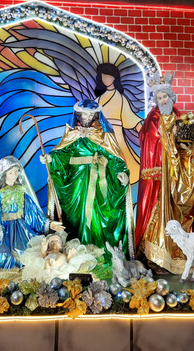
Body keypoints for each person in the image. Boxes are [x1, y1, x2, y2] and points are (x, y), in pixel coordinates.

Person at [135, 71, 194, 274]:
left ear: (171, 97)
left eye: (165, 96)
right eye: (159, 98)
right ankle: (156, 257)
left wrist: (186, 148)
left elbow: (191, 146)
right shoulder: (152, 121)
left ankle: (179, 254)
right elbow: (151, 144)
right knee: (158, 214)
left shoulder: (181, 119)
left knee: (182, 209)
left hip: (179, 175)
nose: (163, 100)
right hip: (159, 178)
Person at [41, 100, 134, 257]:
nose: (87, 118)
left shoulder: (103, 133)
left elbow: (114, 156)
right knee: (75, 218)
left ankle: (99, 251)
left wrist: (121, 171)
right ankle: (75, 252)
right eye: (85, 114)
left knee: (99, 217)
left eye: (91, 115)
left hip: (98, 182)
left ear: (96, 115)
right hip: (76, 183)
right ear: (78, 114)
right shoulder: (72, 132)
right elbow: (63, 153)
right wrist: (51, 158)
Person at [0, 156, 63, 274]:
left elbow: (31, 211)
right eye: (11, 173)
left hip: (21, 228)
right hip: (4, 228)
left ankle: (24, 274)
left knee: (27, 250)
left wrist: (48, 224)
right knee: (3, 253)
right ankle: (5, 275)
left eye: (16, 172)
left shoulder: (21, 191)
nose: (14, 175)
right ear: (4, 174)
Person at [94, 63, 143, 184]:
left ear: (114, 78)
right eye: (104, 76)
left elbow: (132, 119)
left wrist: (146, 135)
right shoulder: (98, 100)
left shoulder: (120, 98)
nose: (106, 79)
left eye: (109, 76)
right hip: (102, 137)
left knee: (121, 163)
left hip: (117, 137)